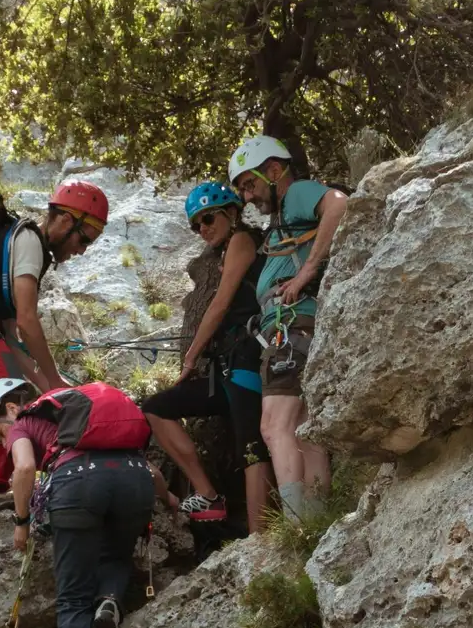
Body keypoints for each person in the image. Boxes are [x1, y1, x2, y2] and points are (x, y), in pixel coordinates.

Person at [0, 377, 172, 628]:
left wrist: (21, 521)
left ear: (9, 409)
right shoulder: (82, 417)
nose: (3, 441)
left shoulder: (23, 421)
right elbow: (155, 474)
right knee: (117, 553)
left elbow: (23, 470)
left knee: (72, 596)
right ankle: (110, 600)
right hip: (134, 480)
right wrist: (171, 502)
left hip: (77, 481)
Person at [0, 179, 110, 513]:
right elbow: (28, 321)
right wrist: (54, 380)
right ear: (63, 220)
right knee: (10, 396)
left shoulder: (10, 242)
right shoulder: (29, 240)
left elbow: (13, 339)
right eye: (84, 237)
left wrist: (44, 385)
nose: (82, 249)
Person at [228, 135, 349, 522]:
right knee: (301, 428)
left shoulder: (295, 194)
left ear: (274, 171)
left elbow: (338, 204)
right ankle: (314, 523)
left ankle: (298, 526)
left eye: (249, 184)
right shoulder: (283, 216)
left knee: (273, 425)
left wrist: (306, 273)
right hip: (296, 327)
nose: (247, 196)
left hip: (294, 324)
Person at [140, 181, 272, 533]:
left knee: (251, 444)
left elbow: (221, 302)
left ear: (231, 213)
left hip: (245, 359)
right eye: (196, 225)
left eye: (208, 219)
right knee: (157, 406)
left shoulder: (243, 239)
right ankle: (208, 495)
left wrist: (190, 358)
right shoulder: (228, 246)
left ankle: (260, 537)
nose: (203, 229)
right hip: (226, 366)